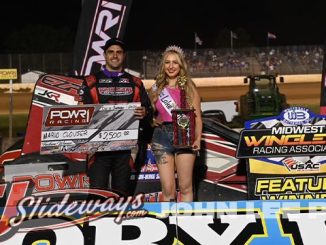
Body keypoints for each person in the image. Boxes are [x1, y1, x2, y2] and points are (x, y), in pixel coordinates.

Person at [83, 38, 153, 196]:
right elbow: (81, 113)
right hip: (98, 149)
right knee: (96, 194)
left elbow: (148, 110)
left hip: (126, 149)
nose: (115, 55)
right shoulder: (90, 82)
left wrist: (145, 112)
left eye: (119, 52)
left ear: (124, 55)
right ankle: (96, 220)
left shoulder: (135, 82)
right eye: (111, 52)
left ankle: (119, 220)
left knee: (121, 194)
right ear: (105, 55)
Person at [149, 45, 202, 202]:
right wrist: (152, 120)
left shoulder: (189, 87)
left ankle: (186, 223)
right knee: (167, 190)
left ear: (181, 65)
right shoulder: (155, 88)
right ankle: (169, 224)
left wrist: (198, 139)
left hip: (185, 136)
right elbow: (149, 113)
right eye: (167, 62)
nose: (171, 66)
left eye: (175, 62)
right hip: (161, 137)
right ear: (163, 65)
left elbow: (198, 116)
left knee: (185, 187)